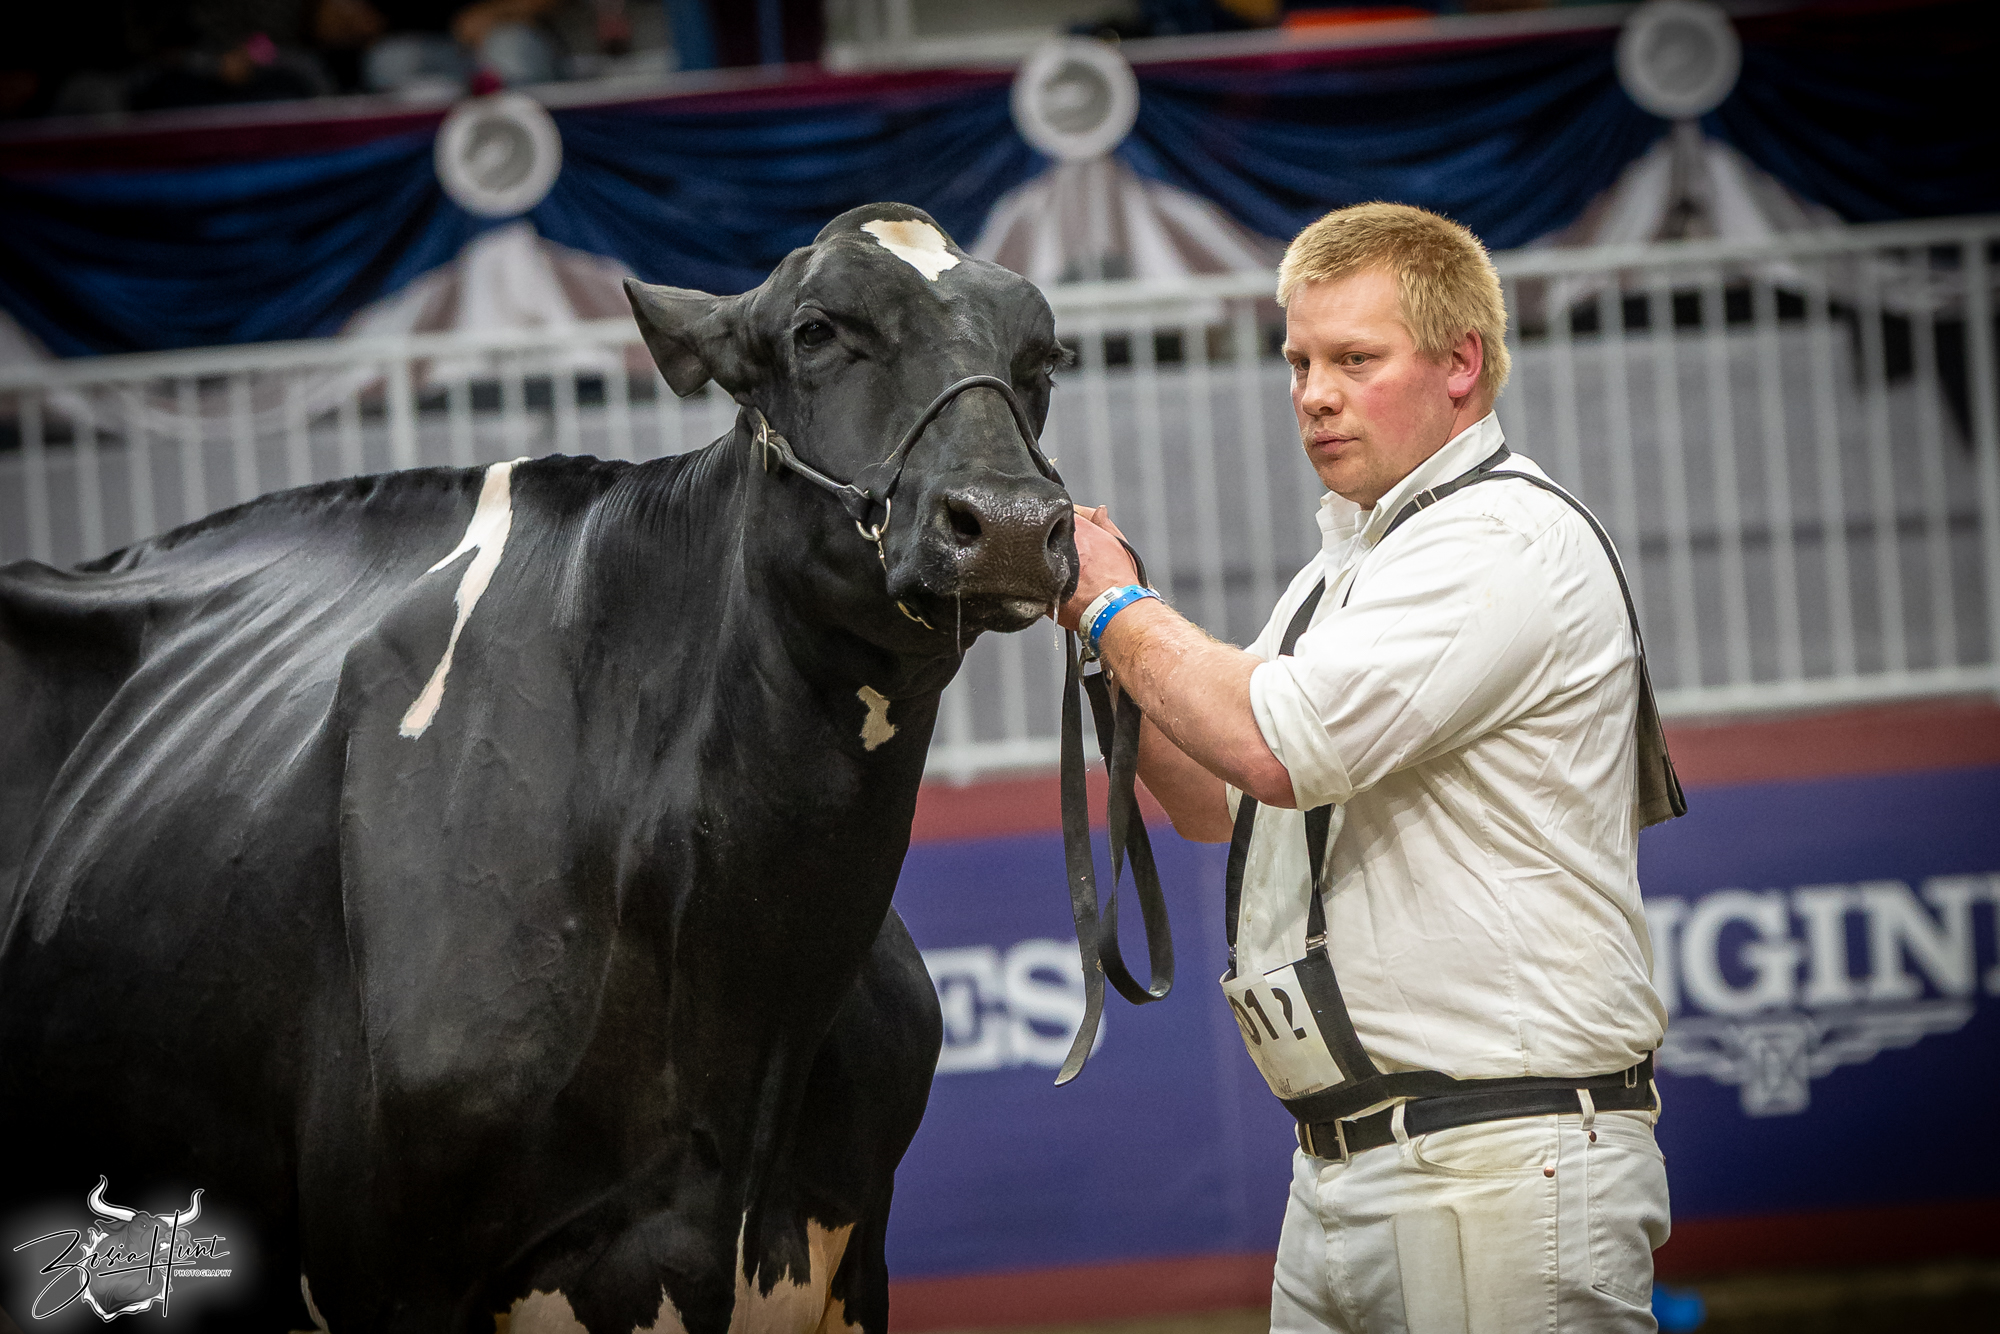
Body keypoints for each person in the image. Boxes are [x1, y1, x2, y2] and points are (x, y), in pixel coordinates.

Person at [1057, 201, 1682, 1332]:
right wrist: (1102, 639)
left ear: (1461, 366)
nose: (1313, 393)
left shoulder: (1496, 538)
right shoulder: (1349, 565)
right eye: (1298, 361)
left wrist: (1116, 605)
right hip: (1349, 1167)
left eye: (1355, 359)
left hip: (1501, 1161)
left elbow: (1270, 746)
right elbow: (1217, 801)